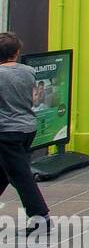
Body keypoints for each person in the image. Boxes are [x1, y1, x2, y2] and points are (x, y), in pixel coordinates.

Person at [0, 33, 50, 230]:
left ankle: (40, 215)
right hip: (27, 127)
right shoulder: (29, 71)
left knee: (20, 175)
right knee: (4, 172)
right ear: (17, 52)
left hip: (6, 131)